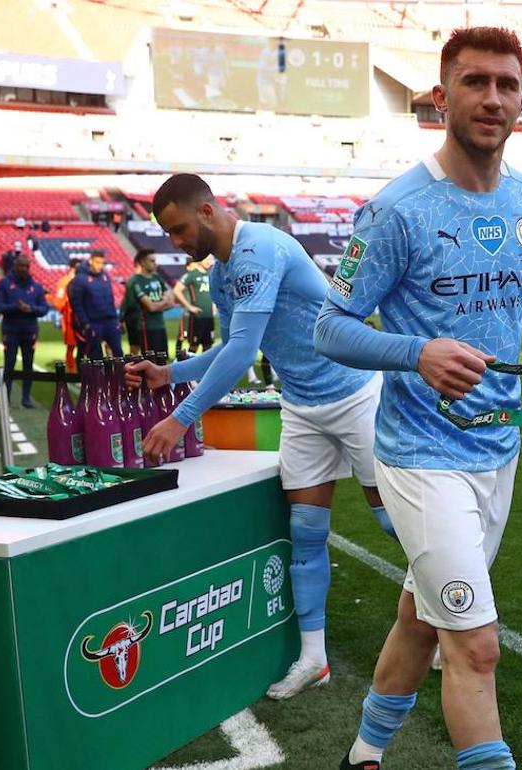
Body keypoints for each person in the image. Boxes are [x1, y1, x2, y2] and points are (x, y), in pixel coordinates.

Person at [314, 28, 522, 770]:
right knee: (476, 648)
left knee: (423, 619)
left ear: (521, 99)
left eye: (506, 85)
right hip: (422, 458)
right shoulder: (394, 211)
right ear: (441, 93)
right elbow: (329, 327)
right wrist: (415, 352)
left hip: (497, 447)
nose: (492, 98)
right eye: (475, 82)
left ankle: (362, 755)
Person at [130, 172, 397, 702]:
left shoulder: (259, 250)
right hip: (301, 404)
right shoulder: (225, 271)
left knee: (394, 518)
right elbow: (230, 347)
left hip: (357, 393)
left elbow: (241, 353)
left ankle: (446, 608)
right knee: (305, 531)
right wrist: (171, 373)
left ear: (206, 211)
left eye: (180, 230)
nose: (177, 244)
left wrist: (180, 416)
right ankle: (314, 658)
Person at [0, 255, 50, 408]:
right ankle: (6, 397)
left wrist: (30, 309)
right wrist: (15, 307)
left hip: (30, 331)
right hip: (10, 331)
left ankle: (26, 398)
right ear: (15, 266)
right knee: (9, 364)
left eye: (27, 266)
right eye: (21, 266)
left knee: (28, 365)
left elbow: (45, 308)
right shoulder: (4, 284)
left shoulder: (36, 286)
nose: (24, 269)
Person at [69, 250, 123, 362]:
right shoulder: (80, 279)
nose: (100, 265)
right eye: (97, 262)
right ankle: (98, 379)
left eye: (102, 263)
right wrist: (86, 324)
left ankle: (119, 378)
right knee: (96, 355)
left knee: (118, 353)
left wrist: (116, 319)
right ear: (91, 261)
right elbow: (76, 304)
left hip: (110, 321)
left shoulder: (105, 276)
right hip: (93, 323)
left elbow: (110, 299)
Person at [121, 249, 175, 355]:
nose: (155, 264)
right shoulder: (135, 281)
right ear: (142, 262)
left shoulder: (157, 278)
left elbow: (172, 302)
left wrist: (159, 304)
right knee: (149, 359)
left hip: (160, 325)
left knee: (162, 359)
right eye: (152, 261)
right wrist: (164, 301)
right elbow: (151, 307)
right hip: (145, 326)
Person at [174, 254, 216, 354]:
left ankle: (206, 369)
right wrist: (189, 307)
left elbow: (214, 292)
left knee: (208, 346)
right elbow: (177, 290)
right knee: (193, 346)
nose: (210, 261)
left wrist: (214, 305)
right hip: (197, 318)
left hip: (209, 317)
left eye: (211, 259)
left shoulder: (212, 274)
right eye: (207, 259)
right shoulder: (192, 275)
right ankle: (187, 367)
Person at [53, 256, 83, 372]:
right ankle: (72, 371)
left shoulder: (83, 280)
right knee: (71, 346)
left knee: (86, 347)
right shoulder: (64, 282)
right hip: (69, 319)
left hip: (83, 319)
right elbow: (58, 301)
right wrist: (66, 309)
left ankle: (83, 370)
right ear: (72, 268)